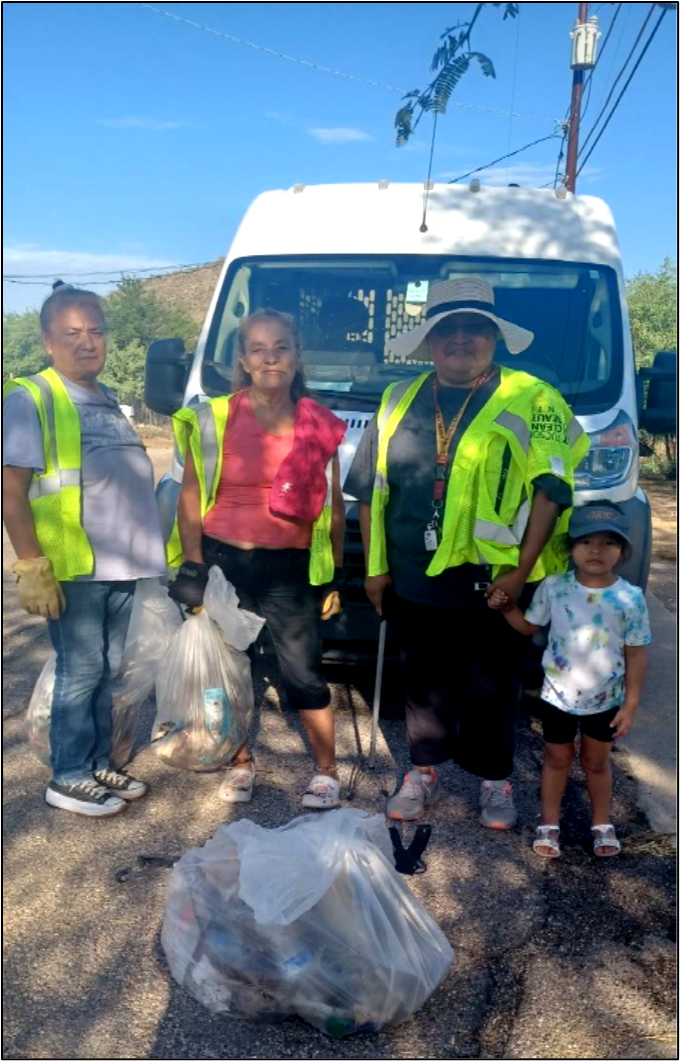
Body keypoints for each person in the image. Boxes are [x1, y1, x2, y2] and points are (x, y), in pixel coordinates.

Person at [345, 277, 590, 828]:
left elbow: (551, 492)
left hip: (496, 581)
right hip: (413, 573)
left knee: (495, 684)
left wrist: (520, 572)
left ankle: (495, 780)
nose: (460, 339)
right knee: (424, 682)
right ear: (429, 341)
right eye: (446, 328)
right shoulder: (396, 398)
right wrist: (376, 568)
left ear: (494, 338)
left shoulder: (536, 399)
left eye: (474, 328)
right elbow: (371, 490)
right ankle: (424, 770)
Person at [168, 308, 347, 810]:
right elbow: (190, 496)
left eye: (281, 347)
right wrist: (194, 568)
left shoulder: (320, 423)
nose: (271, 357)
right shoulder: (214, 417)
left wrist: (335, 573)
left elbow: (333, 505)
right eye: (259, 349)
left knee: (304, 672)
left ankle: (326, 773)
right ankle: (239, 761)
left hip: (289, 569)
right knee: (229, 671)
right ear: (243, 361)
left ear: (296, 356)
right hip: (225, 563)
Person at [3, 282, 167, 817]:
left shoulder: (104, 400)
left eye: (96, 330)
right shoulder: (33, 397)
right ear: (48, 341)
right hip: (74, 564)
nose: (87, 342)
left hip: (121, 563)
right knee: (81, 667)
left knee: (108, 667)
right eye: (72, 333)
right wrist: (31, 563)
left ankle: (98, 762)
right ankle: (67, 774)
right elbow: (11, 488)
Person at [489, 502, 652, 858]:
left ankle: (601, 824)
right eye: (586, 541)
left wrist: (631, 703)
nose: (596, 550)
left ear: (623, 551)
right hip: (557, 697)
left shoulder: (630, 597)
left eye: (609, 543)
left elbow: (636, 651)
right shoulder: (554, 587)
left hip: (605, 700)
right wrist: (506, 609)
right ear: (570, 547)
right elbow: (529, 626)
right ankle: (549, 824)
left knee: (596, 763)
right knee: (556, 759)